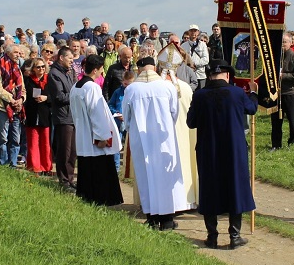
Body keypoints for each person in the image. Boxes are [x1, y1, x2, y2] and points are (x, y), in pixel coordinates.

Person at [187, 59, 259, 249]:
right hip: (233, 149)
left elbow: (191, 122)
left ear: (210, 76)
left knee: (209, 189)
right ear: (227, 75)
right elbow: (252, 108)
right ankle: (234, 236)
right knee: (235, 187)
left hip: (208, 149)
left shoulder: (200, 95)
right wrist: (253, 93)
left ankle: (212, 237)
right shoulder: (236, 93)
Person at [123, 56, 187, 230]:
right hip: (164, 139)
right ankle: (167, 219)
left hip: (141, 139)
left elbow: (126, 118)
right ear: (155, 68)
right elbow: (174, 112)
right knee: (165, 177)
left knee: (146, 177)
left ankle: (151, 218)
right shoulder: (167, 86)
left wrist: (133, 128)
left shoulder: (132, 89)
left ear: (140, 69)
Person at [70, 55, 123, 206]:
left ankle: (87, 197)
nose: (102, 73)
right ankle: (101, 199)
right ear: (95, 70)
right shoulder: (92, 87)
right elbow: (97, 113)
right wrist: (102, 136)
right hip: (94, 138)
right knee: (99, 171)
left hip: (82, 133)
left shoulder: (76, 86)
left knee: (86, 170)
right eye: (101, 69)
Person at [47, 46, 77, 190]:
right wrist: (76, 96)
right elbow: (59, 96)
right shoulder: (54, 74)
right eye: (70, 58)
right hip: (62, 116)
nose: (72, 61)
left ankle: (70, 179)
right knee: (64, 150)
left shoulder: (69, 72)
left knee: (72, 151)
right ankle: (64, 180)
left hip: (72, 116)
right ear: (61, 57)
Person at [0, 44, 25, 167]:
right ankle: (3, 162)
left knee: (16, 138)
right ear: (8, 52)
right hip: (3, 107)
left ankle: (13, 163)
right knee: (3, 138)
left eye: (19, 52)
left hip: (17, 108)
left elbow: (23, 88)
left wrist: (21, 99)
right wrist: (11, 99)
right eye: (16, 52)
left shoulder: (18, 68)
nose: (18, 55)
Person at [270, 32, 294, 150]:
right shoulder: (274, 57)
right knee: (275, 121)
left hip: (290, 93)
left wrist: (283, 76)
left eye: (285, 42)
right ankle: (276, 144)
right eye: (281, 42)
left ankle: (293, 142)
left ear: (291, 42)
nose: (282, 44)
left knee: (292, 120)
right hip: (276, 94)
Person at [23, 57, 53, 175]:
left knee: (45, 142)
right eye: (38, 67)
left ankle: (46, 167)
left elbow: (54, 96)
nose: (41, 69)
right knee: (33, 142)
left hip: (45, 114)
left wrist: (46, 98)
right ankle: (34, 167)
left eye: (43, 66)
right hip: (32, 113)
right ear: (33, 69)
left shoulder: (49, 80)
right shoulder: (28, 80)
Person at [185, 24, 210, 89]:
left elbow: (206, 59)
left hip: (200, 74)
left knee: (201, 95)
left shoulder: (202, 45)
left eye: (195, 31)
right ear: (189, 32)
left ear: (198, 32)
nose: (193, 32)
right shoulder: (183, 46)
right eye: (191, 31)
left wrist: (195, 64)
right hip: (188, 75)